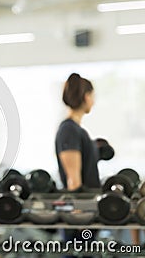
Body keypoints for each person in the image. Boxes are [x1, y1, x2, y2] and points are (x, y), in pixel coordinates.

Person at [55, 73, 99, 258]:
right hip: (80, 217)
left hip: (87, 211)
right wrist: (80, 220)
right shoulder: (69, 130)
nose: (93, 101)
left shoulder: (77, 130)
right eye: (93, 96)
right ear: (87, 96)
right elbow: (73, 180)